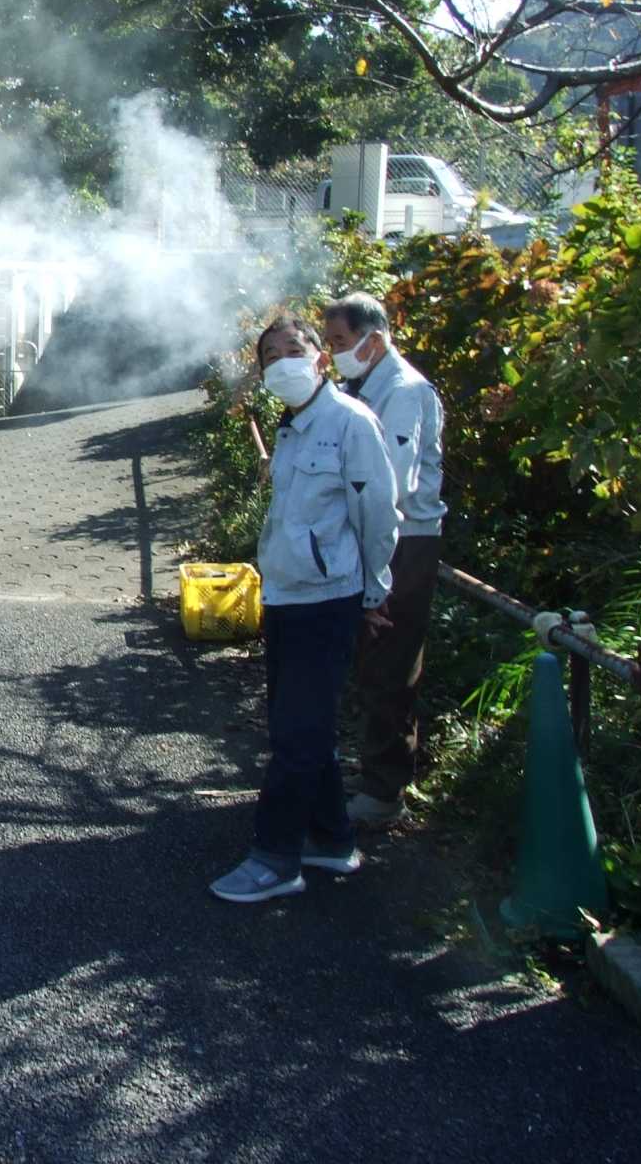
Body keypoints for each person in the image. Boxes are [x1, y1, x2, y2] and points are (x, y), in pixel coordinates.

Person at [210, 315, 399, 904]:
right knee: (301, 726)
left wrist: (374, 591)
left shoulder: (350, 423)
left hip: (328, 600)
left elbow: (380, 516)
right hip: (288, 597)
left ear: (321, 358)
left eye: (295, 349)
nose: (282, 361)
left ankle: (276, 856)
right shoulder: (291, 427)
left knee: (298, 732)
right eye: (270, 356)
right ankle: (332, 839)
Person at [323, 292, 447, 830]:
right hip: (373, 533)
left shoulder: (403, 390)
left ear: (375, 340)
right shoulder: (364, 384)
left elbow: (392, 481)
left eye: (341, 343)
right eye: (328, 344)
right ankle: (377, 775)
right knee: (372, 659)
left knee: (391, 661)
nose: (332, 354)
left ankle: (384, 791)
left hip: (403, 540)